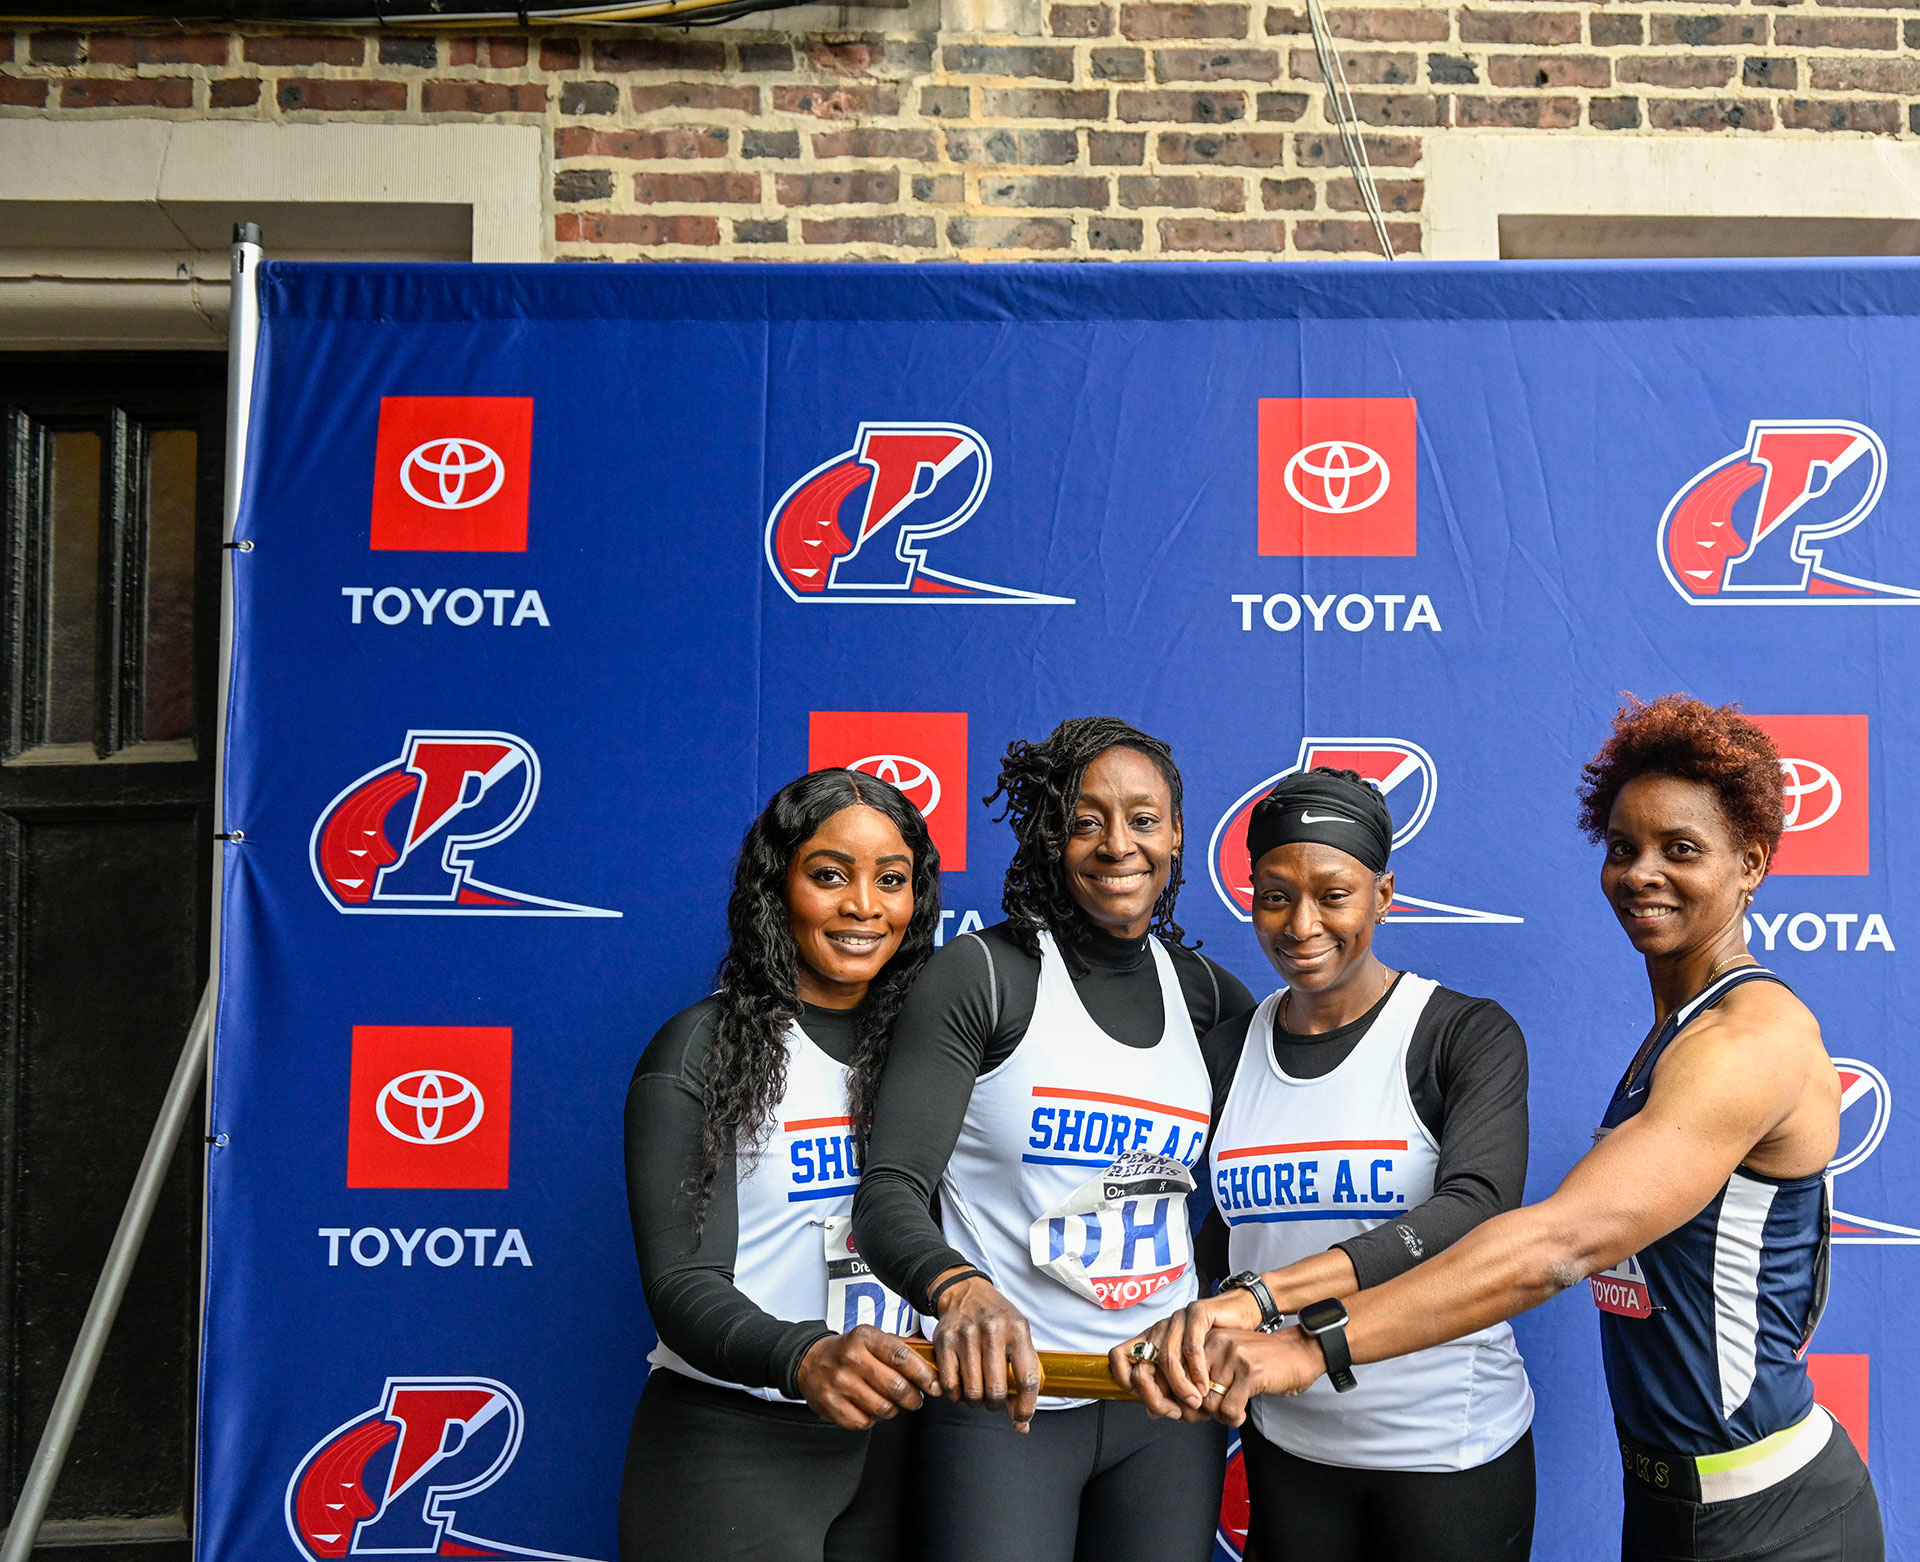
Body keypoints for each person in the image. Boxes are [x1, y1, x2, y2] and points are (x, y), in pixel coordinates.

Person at [1124, 696, 1884, 1562]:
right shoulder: (1676, 1034)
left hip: (1770, 1512)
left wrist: (1308, 1346)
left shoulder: (1748, 1039)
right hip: (1672, 1500)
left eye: (1682, 851)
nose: (1642, 873)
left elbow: (1552, 1247)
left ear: (1750, 864)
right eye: (1624, 848)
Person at [852, 716, 1256, 1562]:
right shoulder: (984, 975)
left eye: (1144, 820)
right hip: (1007, 1402)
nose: (1119, 846)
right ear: (1049, 834)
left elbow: (1239, 1197)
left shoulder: (1211, 997)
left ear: (1178, 835)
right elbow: (890, 1194)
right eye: (1085, 820)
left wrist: (1223, 1308)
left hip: (1161, 1404)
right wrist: (961, 1292)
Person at [1116, 764, 1536, 1562]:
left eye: (1333, 895)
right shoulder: (1230, 1048)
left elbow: (1474, 1211)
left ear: (1384, 894)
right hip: (1291, 1444)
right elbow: (1212, 1226)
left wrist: (1263, 1297)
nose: (1301, 924)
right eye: (1275, 896)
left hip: (1445, 1446)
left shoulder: (1461, 1034)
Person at [620, 769, 943, 1562]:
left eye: (891, 880)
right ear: (776, 887)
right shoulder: (702, 1048)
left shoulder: (930, 1053)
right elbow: (680, 1285)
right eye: (830, 875)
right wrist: (803, 1356)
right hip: (734, 1445)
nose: (864, 905)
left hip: (898, 1441)